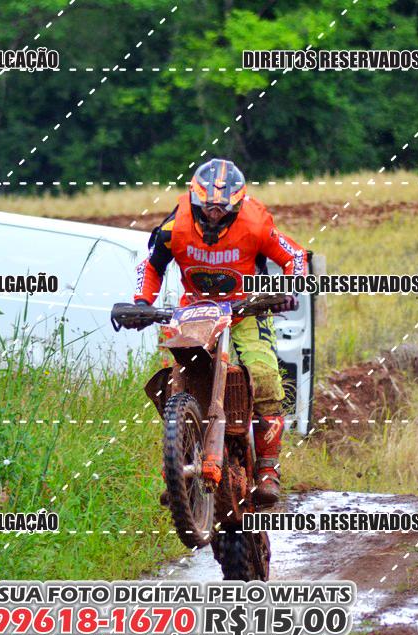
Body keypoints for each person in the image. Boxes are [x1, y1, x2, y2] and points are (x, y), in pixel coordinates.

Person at [121, 158, 307, 507]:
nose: (215, 216)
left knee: (264, 374)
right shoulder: (174, 226)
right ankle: (178, 466)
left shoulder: (256, 222)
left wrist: (290, 289)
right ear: (194, 199)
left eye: (223, 209)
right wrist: (142, 302)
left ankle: (268, 468)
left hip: (247, 307)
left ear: (237, 203)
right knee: (177, 379)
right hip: (195, 308)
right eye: (208, 207)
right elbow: (151, 264)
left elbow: (294, 256)